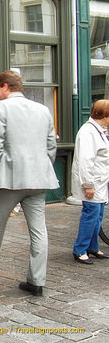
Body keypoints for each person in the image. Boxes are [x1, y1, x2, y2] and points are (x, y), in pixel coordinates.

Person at [0, 70, 59, 297]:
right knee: (39, 231)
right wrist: (42, 167)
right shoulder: (43, 110)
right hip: (38, 179)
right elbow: (51, 147)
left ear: (5, 86)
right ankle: (37, 280)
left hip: (10, 178)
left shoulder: (0, 108)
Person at [71, 99, 109, 265]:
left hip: (100, 182)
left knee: (98, 215)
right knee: (91, 215)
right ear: (105, 115)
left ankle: (92, 247)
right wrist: (88, 185)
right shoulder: (88, 132)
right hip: (93, 182)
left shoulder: (98, 130)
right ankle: (79, 250)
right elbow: (86, 161)